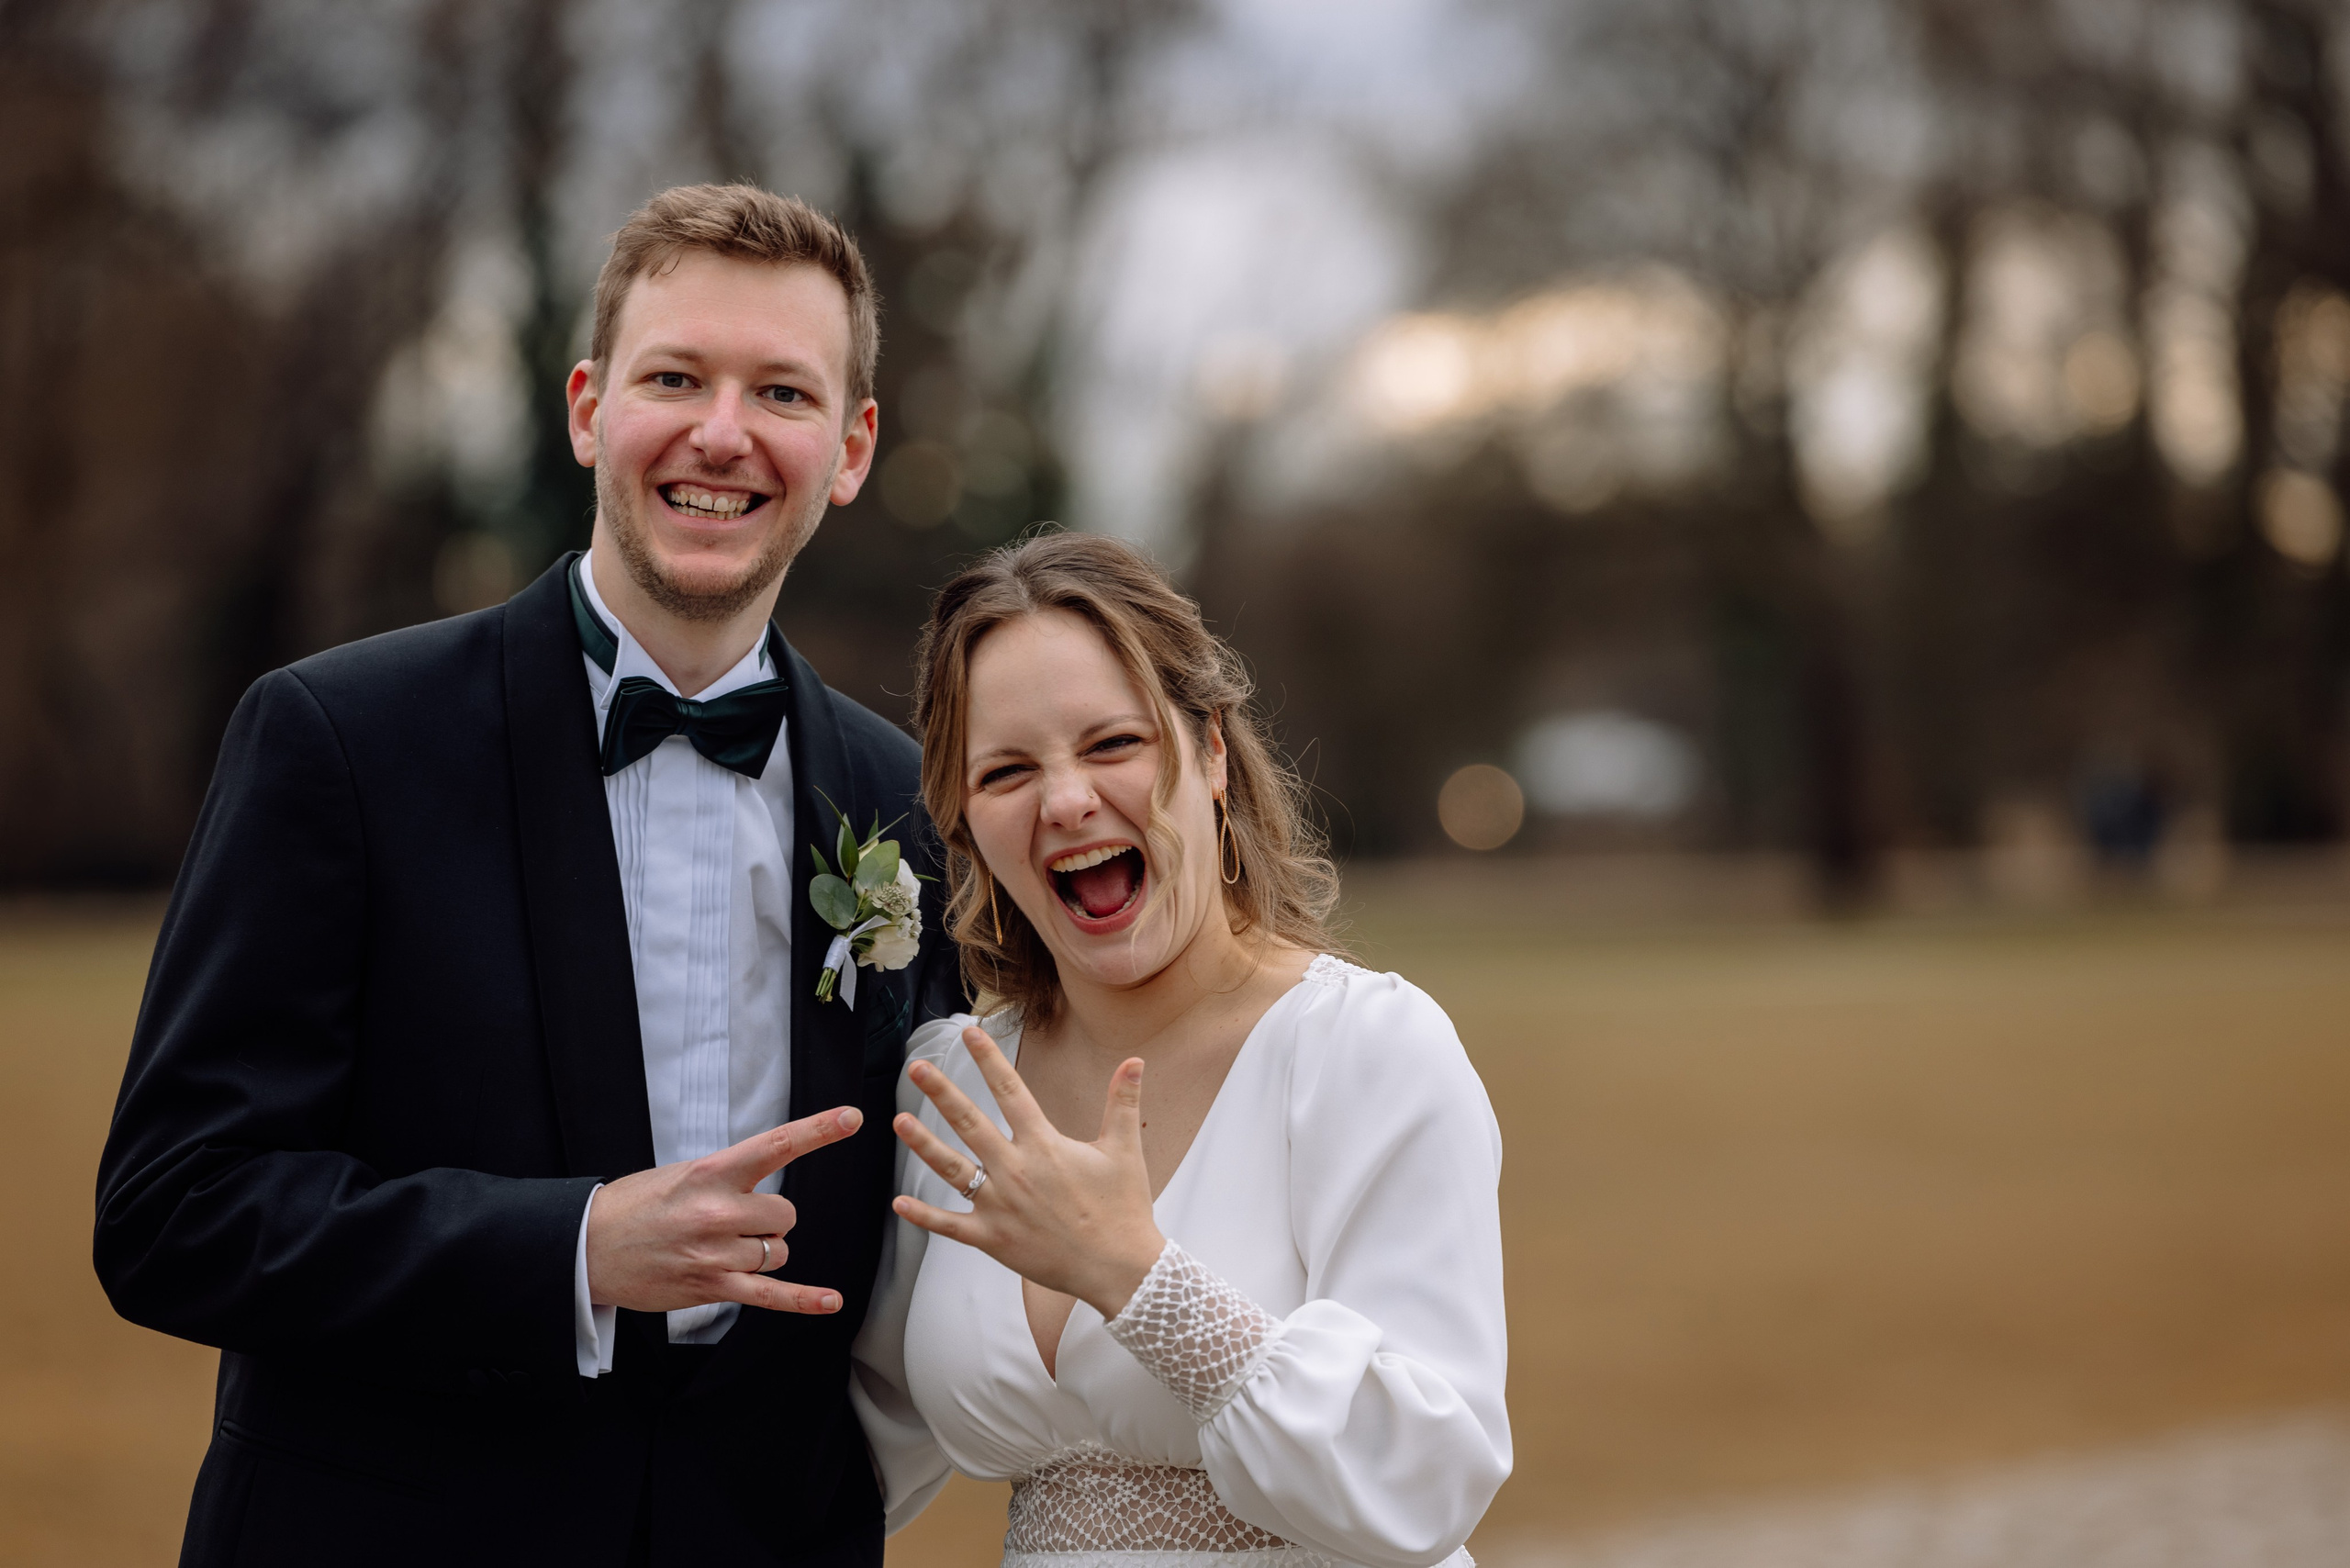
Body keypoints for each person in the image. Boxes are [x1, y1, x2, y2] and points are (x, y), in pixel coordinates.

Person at [94, 185, 963, 1568]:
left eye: (782, 393)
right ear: (585, 408)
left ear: (850, 448)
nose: (721, 434)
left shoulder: (913, 806)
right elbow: (174, 1213)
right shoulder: (340, 739)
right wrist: (570, 1250)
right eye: (674, 376)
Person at [850, 533, 1512, 1567]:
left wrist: (1138, 1276)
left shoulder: (1364, 1050)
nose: (1066, 800)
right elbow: (838, 1459)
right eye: (1008, 768)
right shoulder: (954, 1087)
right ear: (965, 821)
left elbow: (1425, 1474)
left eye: (1112, 743)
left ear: (1209, 751)